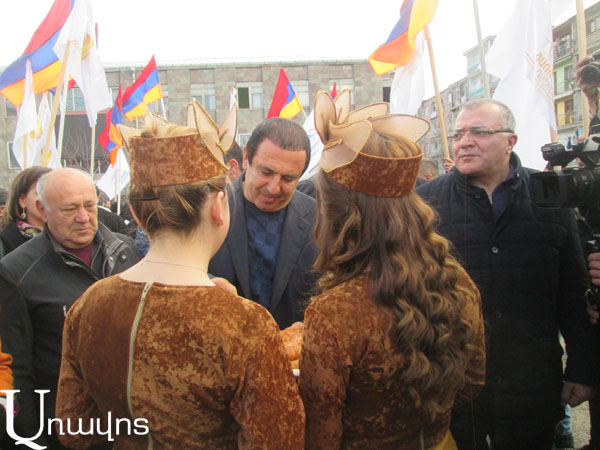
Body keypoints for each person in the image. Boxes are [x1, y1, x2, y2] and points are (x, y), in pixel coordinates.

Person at [55, 107, 305, 449]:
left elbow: (74, 429)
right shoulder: (245, 323)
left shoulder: (88, 304)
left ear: (136, 214)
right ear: (218, 206)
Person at [299, 91, 486, 450]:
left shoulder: (333, 314)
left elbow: (321, 439)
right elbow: (471, 384)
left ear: (336, 214)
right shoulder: (456, 281)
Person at [417, 98, 597, 450]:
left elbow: (573, 292)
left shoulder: (549, 195)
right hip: (452, 383)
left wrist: (582, 368)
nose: (465, 142)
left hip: (531, 383)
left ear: (510, 141)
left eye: (479, 132)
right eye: (458, 134)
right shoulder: (425, 204)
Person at [0, 167, 139, 449]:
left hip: (132, 423)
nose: (83, 217)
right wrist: (29, 439)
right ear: (42, 209)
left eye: (90, 205)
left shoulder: (125, 250)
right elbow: (17, 369)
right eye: (69, 209)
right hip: (66, 430)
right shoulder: (16, 272)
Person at [208, 116, 319, 328]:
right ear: (246, 158)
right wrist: (208, 283)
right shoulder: (208, 209)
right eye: (266, 172)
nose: (273, 188)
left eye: (288, 179)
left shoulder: (317, 219)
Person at [0, 166, 52, 257]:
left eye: (54, 192)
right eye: (40, 193)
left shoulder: (72, 235)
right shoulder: (5, 242)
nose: (49, 198)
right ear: (22, 201)